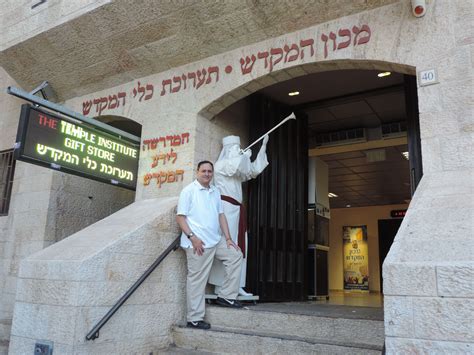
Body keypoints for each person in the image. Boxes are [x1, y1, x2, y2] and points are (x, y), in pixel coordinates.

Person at [176, 160, 243, 330]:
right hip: (198, 243)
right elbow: (180, 217)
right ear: (197, 172)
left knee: (236, 255)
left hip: (216, 240)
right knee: (197, 281)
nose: (207, 174)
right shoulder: (188, 191)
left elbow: (221, 215)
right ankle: (194, 319)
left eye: (209, 171)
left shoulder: (215, 191)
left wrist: (228, 238)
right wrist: (192, 237)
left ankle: (226, 296)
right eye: (204, 171)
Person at [208, 135, 269, 296]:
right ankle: (221, 285)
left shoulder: (236, 164)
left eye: (238, 147)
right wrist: (243, 157)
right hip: (225, 209)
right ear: (228, 150)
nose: (238, 150)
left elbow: (252, 172)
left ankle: (237, 284)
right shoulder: (220, 165)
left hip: (237, 210)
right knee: (227, 246)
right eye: (235, 148)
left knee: (241, 246)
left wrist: (263, 147)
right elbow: (234, 167)